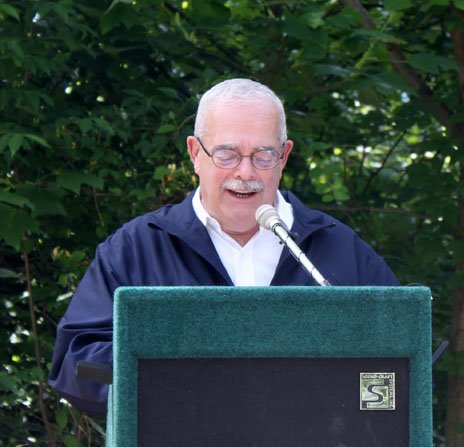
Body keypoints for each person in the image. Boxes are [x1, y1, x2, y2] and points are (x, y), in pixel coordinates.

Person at [48, 78, 399, 417]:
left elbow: (398, 363)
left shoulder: (337, 248)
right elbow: (76, 369)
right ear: (194, 154)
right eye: (227, 154)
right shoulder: (137, 248)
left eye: (263, 155)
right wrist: (170, 375)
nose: (245, 173)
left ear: (284, 156)